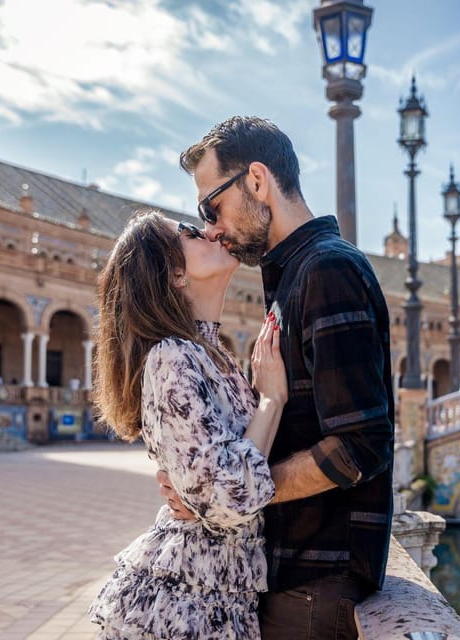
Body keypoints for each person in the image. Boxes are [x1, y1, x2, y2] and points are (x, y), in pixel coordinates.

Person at [167, 116, 395, 639]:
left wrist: (238, 491)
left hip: (318, 579)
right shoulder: (294, 275)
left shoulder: (326, 271)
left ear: (256, 179)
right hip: (296, 572)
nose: (213, 227)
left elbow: (361, 445)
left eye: (212, 206)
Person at [88, 210, 286, 639]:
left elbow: (213, 479)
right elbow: (227, 499)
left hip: (212, 594)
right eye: (194, 233)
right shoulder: (173, 356)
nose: (214, 232)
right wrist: (272, 399)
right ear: (175, 275)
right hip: (189, 605)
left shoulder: (210, 355)